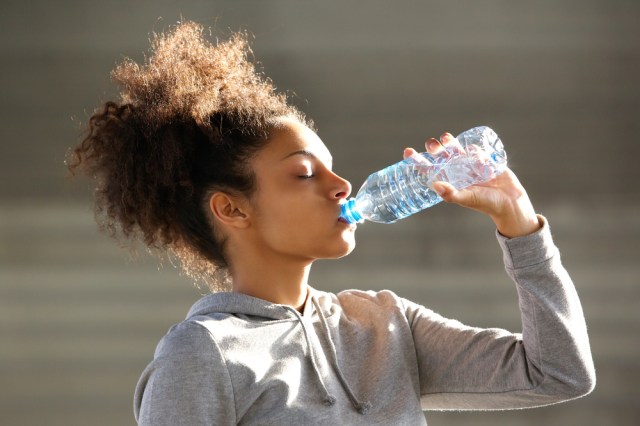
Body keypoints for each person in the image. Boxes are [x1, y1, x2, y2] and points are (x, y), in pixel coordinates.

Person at [68, 22, 595, 425]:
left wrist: (520, 227)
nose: (342, 185)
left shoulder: (385, 324)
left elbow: (557, 373)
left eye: (332, 166)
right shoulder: (202, 352)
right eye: (303, 174)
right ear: (233, 209)